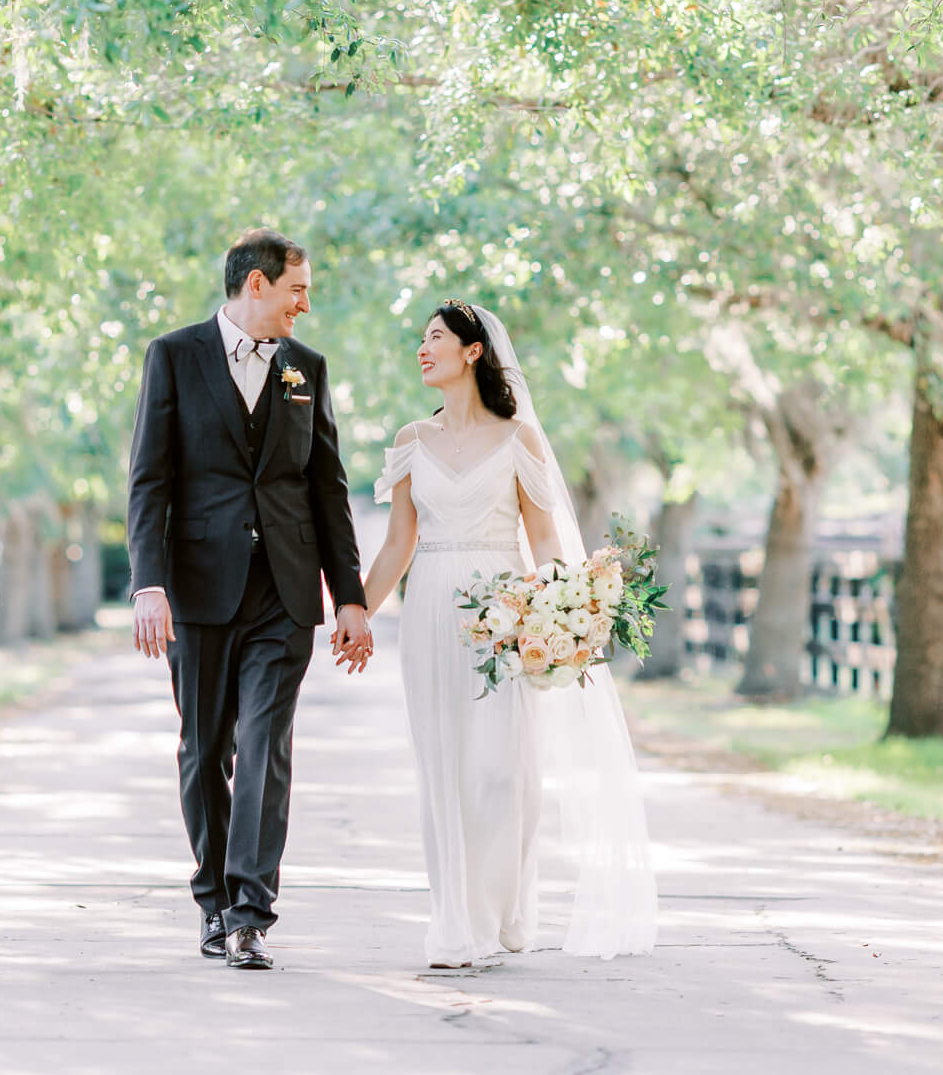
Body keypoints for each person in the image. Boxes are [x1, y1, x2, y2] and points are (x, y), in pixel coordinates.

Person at [360, 299, 657, 968]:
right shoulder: (411, 441)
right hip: (432, 609)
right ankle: (455, 923)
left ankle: (504, 904)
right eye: (421, 338)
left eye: (435, 337)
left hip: (505, 611)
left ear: (473, 351)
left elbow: (547, 537)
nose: (422, 348)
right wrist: (355, 611)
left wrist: (571, 613)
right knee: (443, 770)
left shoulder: (517, 439)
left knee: (502, 771)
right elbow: (397, 544)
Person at [126, 228, 374, 971]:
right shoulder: (173, 355)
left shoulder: (308, 369)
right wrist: (148, 582)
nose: (307, 303)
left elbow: (327, 488)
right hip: (198, 588)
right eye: (298, 288)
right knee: (205, 751)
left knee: (265, 744)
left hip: (284, 593)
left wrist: (351, 597)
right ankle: (211, 900)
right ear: (256, 284)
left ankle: (249, 911)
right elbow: (149, 481)